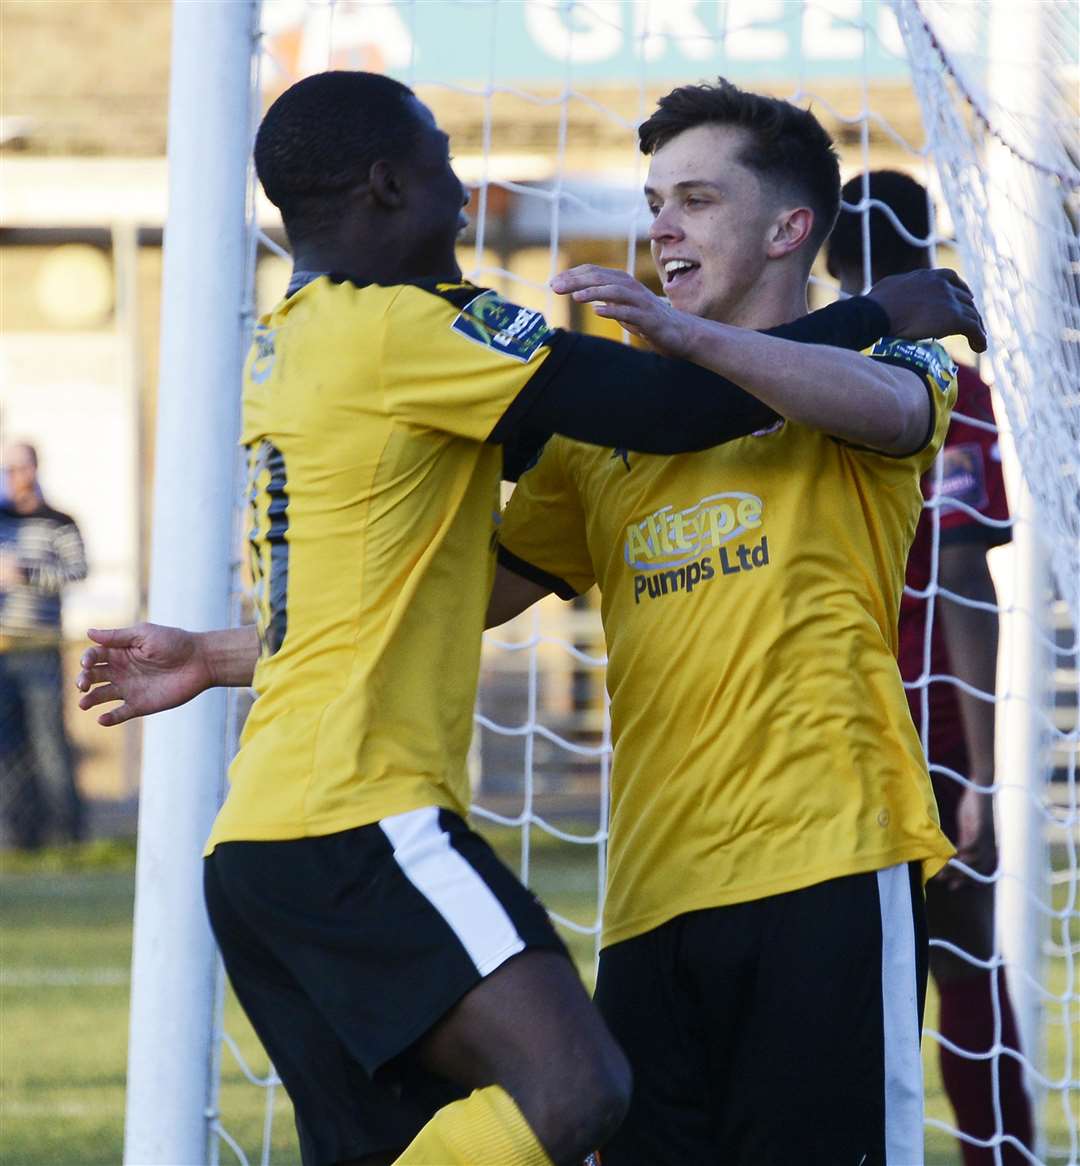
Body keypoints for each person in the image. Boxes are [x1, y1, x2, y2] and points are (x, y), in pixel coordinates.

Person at [76, 72, 984, 1166]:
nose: (661, 224)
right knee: (580, 1103)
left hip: (831, 867)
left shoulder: (882, 361)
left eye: (695, 199)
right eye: (654, 199)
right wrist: (224, 654)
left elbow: (887, 412)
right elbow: (455, 596)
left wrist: (754, 337)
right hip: (652, 892)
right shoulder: (607, 434)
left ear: (791, 226)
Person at [827, 169, 1033, 1166]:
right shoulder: (958, 390)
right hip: (931, 735)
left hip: (823, 730)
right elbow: (960, 583)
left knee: (838, 992)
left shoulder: (792, 374)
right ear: (925, 244)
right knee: (965, 970)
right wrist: (986, 769)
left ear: (824, 254)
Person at [0, 441, 88, 849]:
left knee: (49, 742)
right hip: (3, 650)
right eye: (8, 469)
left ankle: (67, 837)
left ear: (35, 468)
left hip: (40, 649)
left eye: (20, 467)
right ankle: (18, 838)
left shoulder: (60, 522)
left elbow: (76, 572)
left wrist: (26, 574)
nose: (15, 476)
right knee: (8, 748)